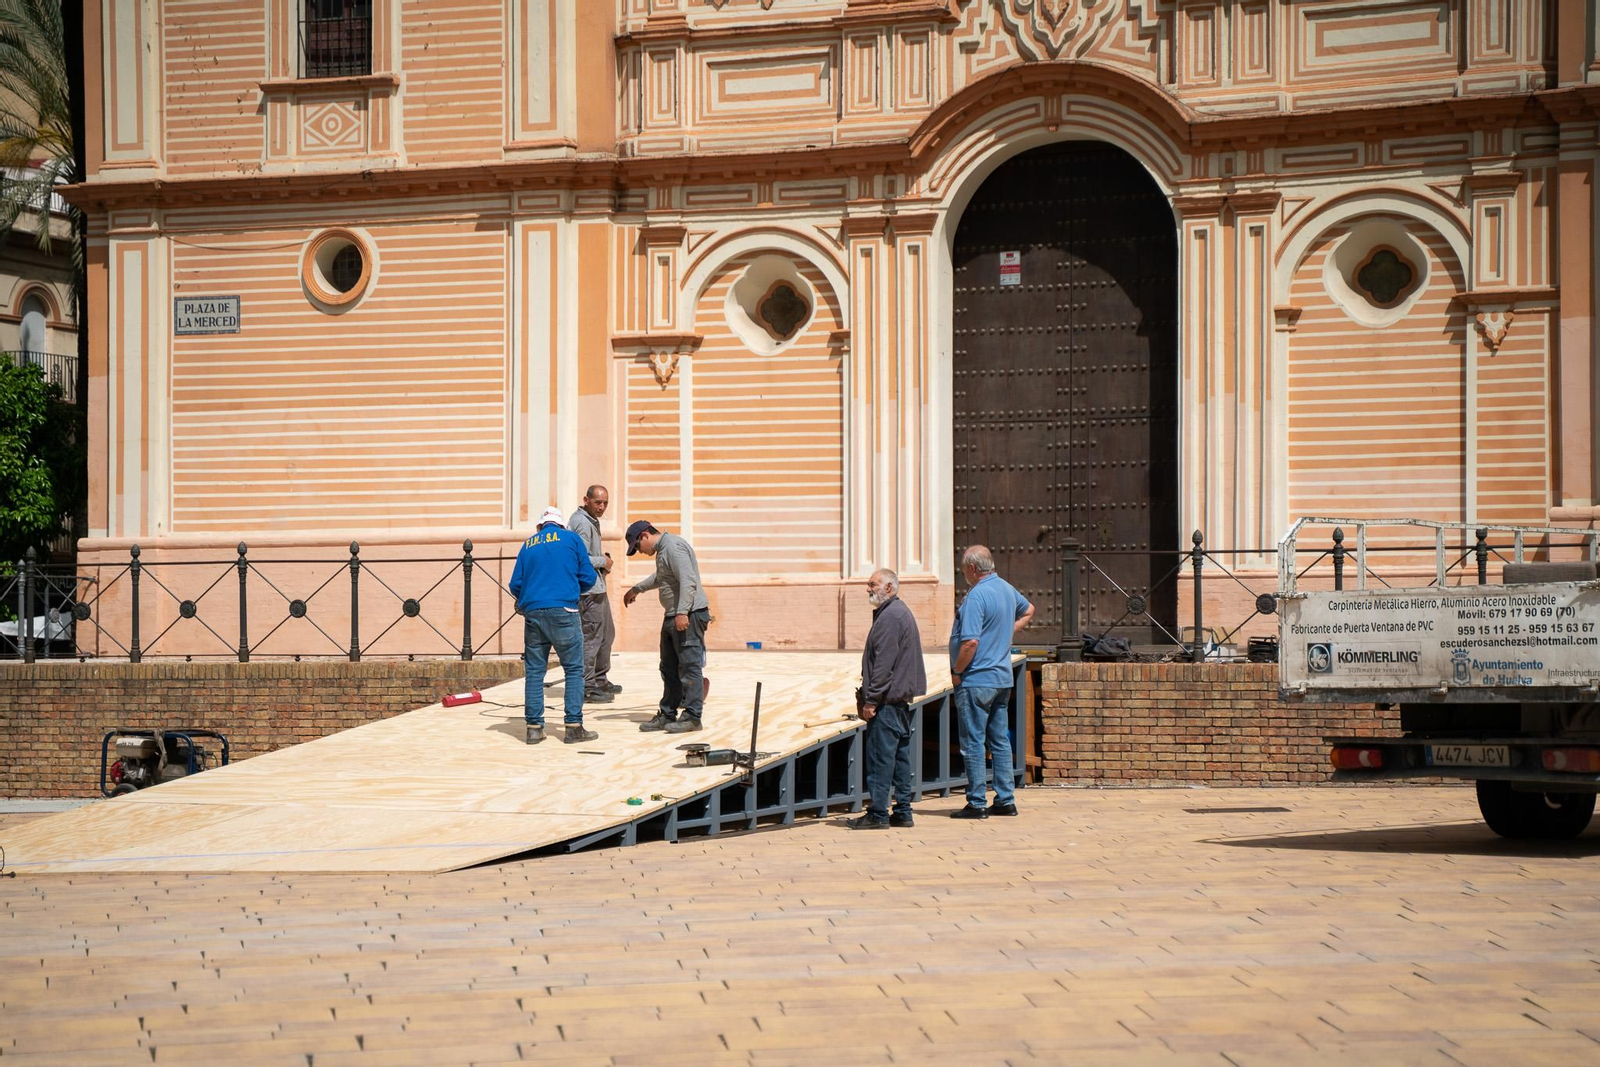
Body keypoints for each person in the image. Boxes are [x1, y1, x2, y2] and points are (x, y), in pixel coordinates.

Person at [948, 544, 1034, 818]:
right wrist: (1007, 631)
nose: (964, 573)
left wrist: (957, 671)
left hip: (976, 678)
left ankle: (976, 803)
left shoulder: (977, 595)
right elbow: (1029, 609)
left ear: (972, 568)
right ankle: (1005, 800)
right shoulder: (1006, 589)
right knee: (999, 740)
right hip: (1001, 678)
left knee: (973, 742)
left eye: (964, 569)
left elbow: (970, 642)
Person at [508, 506, 598, 745]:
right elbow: (588, 577)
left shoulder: (528, 544)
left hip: (534, 612)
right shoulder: (572, 539)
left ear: (541, 526)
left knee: (535, 672)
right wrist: (570, 590)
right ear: (561, 525)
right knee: (573, 669)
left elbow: (515, 584)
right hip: (564, 610)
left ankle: (534, 728)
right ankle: (573, 727)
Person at [850, 569, 927, 830]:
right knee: (900, 759)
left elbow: (884, 664)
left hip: (886, 702)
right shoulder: (896, 612)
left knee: (880, 759)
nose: (868, 588)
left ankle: (878, 813)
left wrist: (871, 700)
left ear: (889, 588)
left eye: (872, 584)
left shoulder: (891, 617)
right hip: (897, 701)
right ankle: (903, 811)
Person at [622, 519, 710, 734]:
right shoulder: (664, 550)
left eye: (637, 547)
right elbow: (661, 577)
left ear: (644, 535)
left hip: (688, 615)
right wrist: (637, 589)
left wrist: (682, 612)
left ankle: (692, 717)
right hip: (673, 614)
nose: (640, 552)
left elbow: (688, 580)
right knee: (668, 667)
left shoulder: (673, 546)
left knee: (689, 667)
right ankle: (667, 713)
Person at [568, 485, 621, 705]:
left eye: (605, 503)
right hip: (588, 591)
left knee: (607, 634)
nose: (602, 507)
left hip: (598, 588)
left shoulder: (590, 520)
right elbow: (578, 557)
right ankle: (586, 687)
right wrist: (603, 561)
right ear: (586, 500)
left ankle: (600, 679)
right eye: (598, 502)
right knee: (591, 639)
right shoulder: (581, 522)